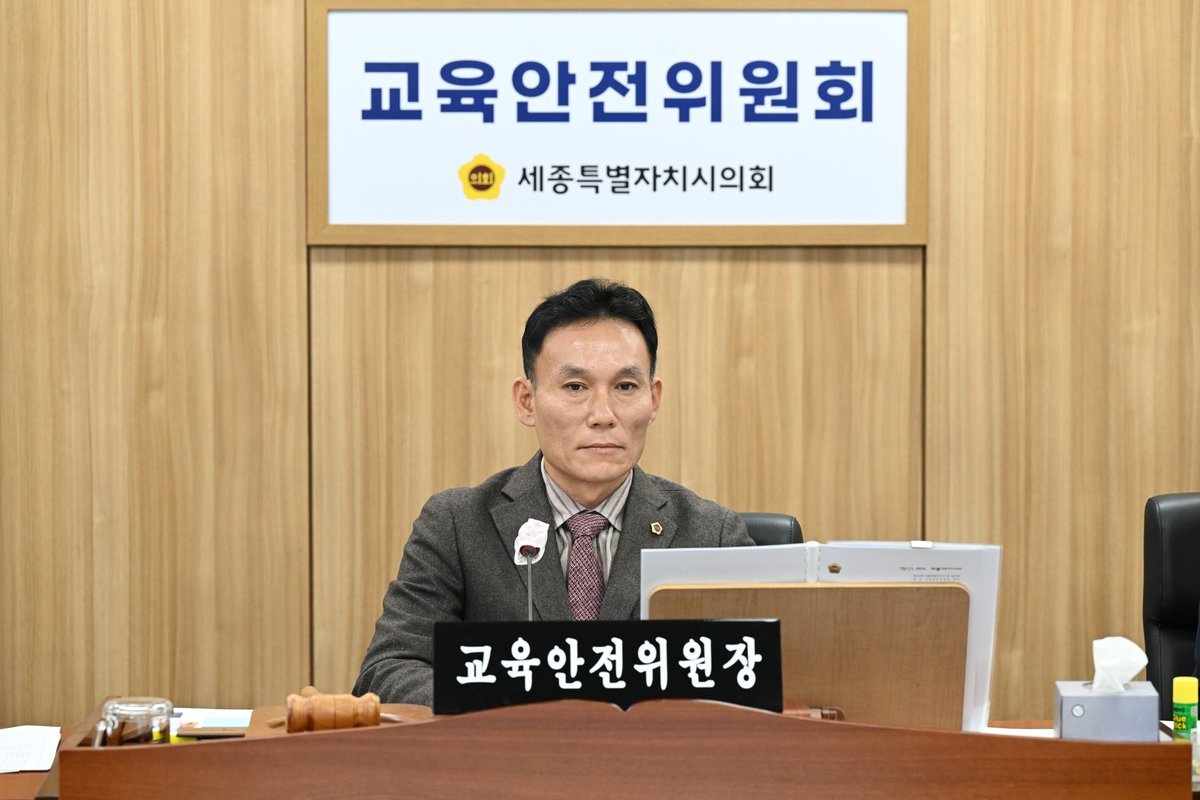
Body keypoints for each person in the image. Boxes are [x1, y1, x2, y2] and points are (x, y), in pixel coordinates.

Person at [353, 278, 754, 706]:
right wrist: (509, 710)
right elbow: (389, 670)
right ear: (527, 401)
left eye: (625, 387)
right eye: (576, 387)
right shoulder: (457, 524)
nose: (603, 415)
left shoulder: (711, 535)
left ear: (653, 399)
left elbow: (762, 670)